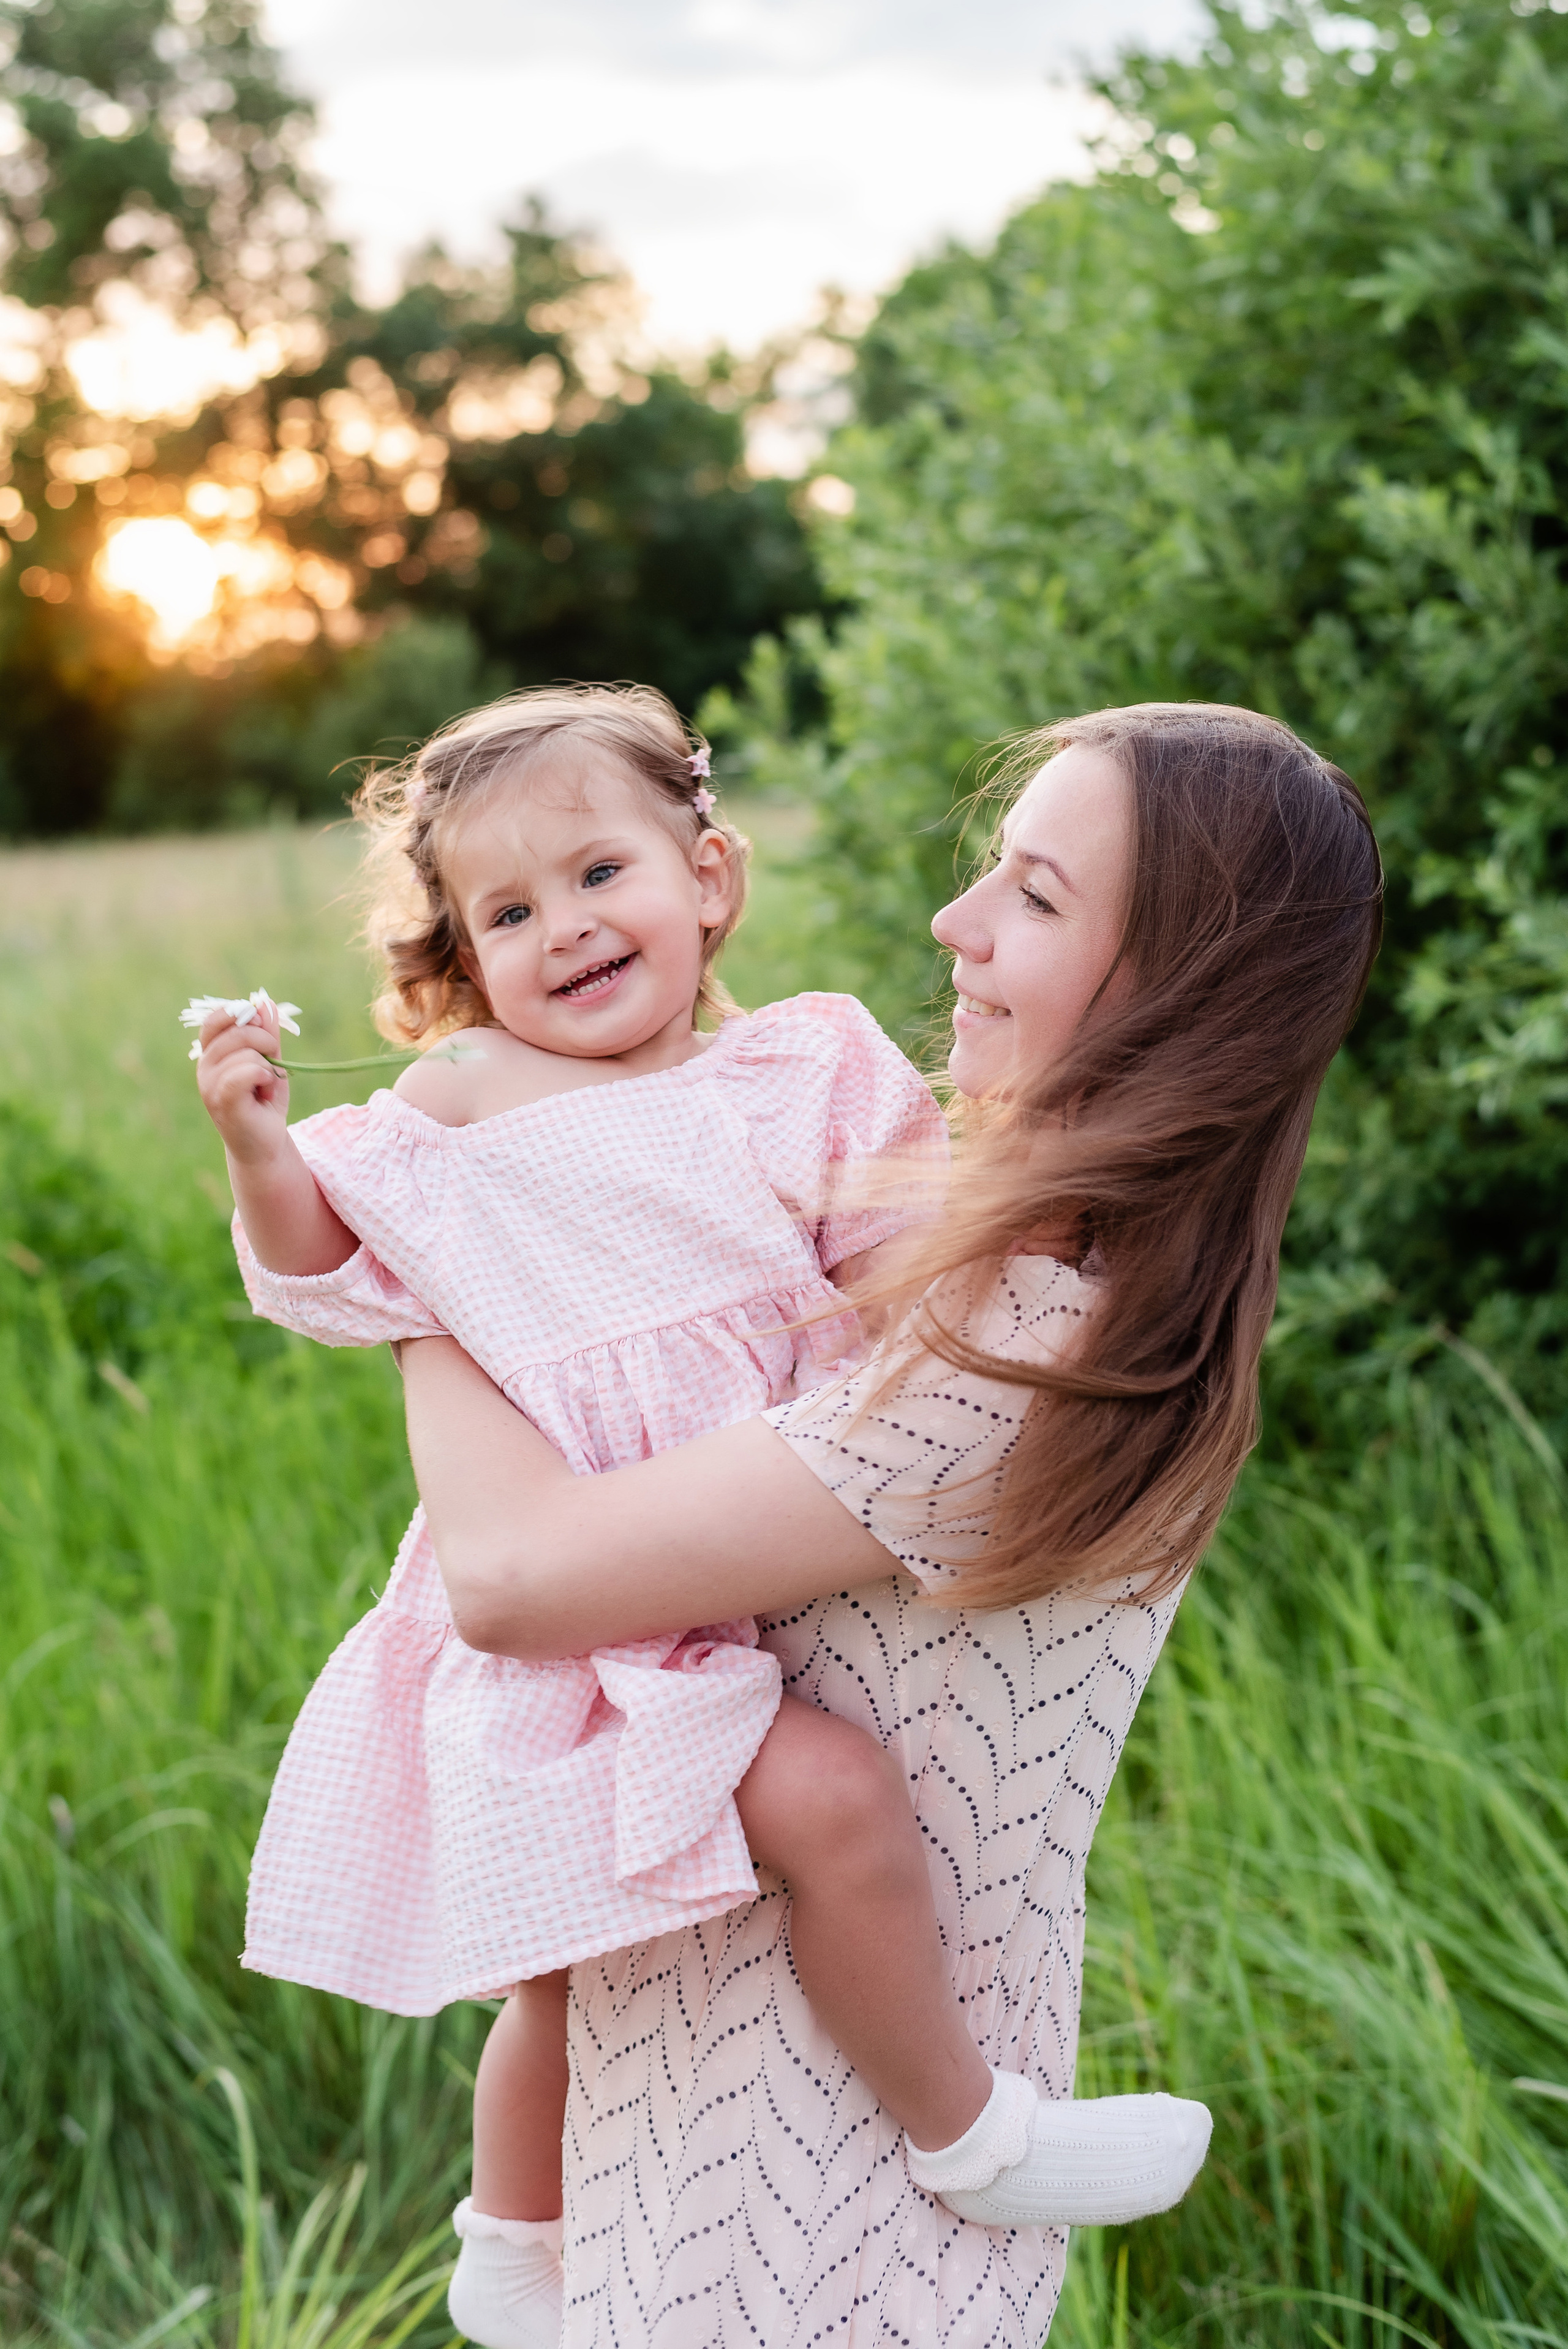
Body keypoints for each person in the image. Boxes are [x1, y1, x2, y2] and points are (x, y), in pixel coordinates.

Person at [187, 687, 1213, 2349]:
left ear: (710, 876)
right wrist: (255, 1147)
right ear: (459, 956)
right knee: (625, 1924)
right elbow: (330, 1256)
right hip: (594, 1595)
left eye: (601, 873)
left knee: (758, 1852)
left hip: (733, 1547)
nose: (566, 928)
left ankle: (937, 2122)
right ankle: (572, 2225)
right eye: (509, 912)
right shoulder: (462, 1102)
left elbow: (912, 1275)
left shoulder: (800, 1064)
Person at [398, 701, 1384, 2349]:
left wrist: (429, 1259)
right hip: (712, 2146)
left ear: (1178, 987)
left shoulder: (1042, 1350)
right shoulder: (988, 1265)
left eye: (1038, 897)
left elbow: (508, 1580)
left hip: (808, 2210)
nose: (957, 923)